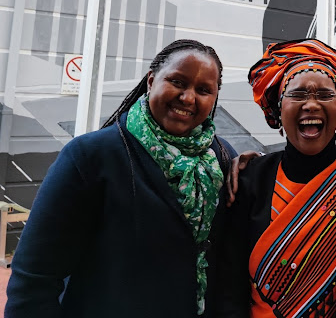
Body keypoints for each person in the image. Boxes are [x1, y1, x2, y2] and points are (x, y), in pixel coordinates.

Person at [5, 39, 237, 318]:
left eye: (203, 90)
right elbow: (34, 276)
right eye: (177, 82)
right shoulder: (90, 157)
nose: (188, 98)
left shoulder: (221, 160)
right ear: (151, 81)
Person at [217, 39, 336, 318]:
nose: (311, 104)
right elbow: (228, 282)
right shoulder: (250, 179)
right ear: (277, 108)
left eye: (324, 95)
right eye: (298, 95)